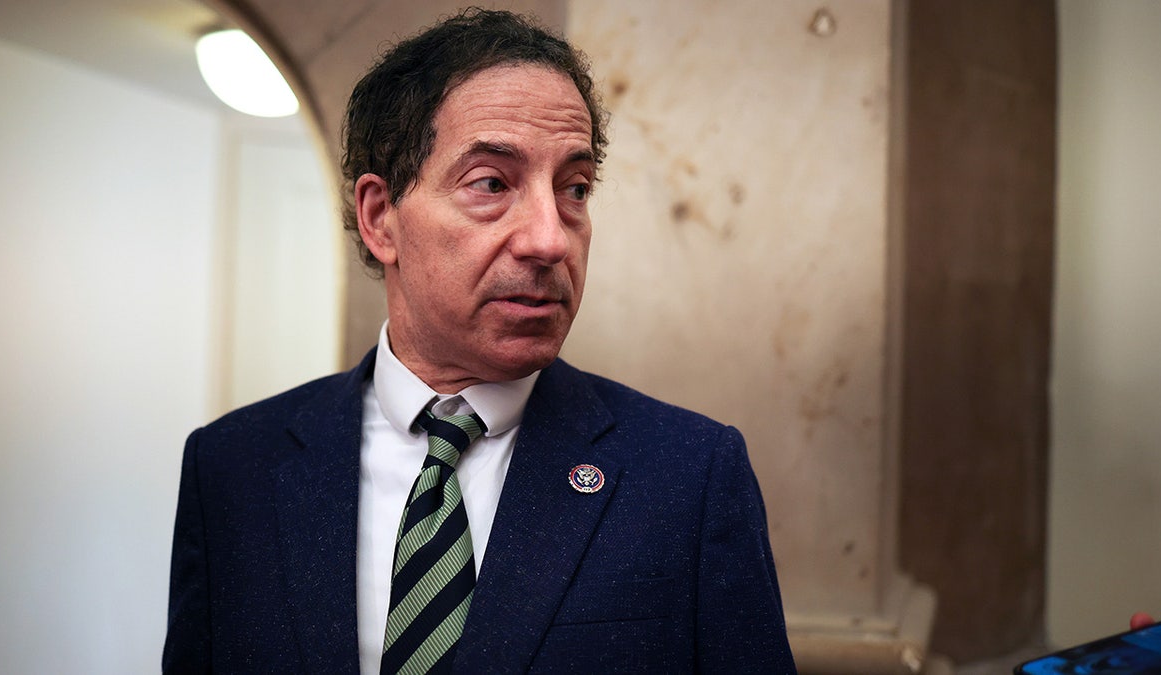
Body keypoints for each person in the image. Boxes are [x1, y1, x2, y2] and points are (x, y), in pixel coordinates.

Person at [162, 8, 795, 674]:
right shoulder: (233, 469)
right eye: (491, 184)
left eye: (575, 189)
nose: (550, 239)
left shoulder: (690, 475)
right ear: (380, 218)